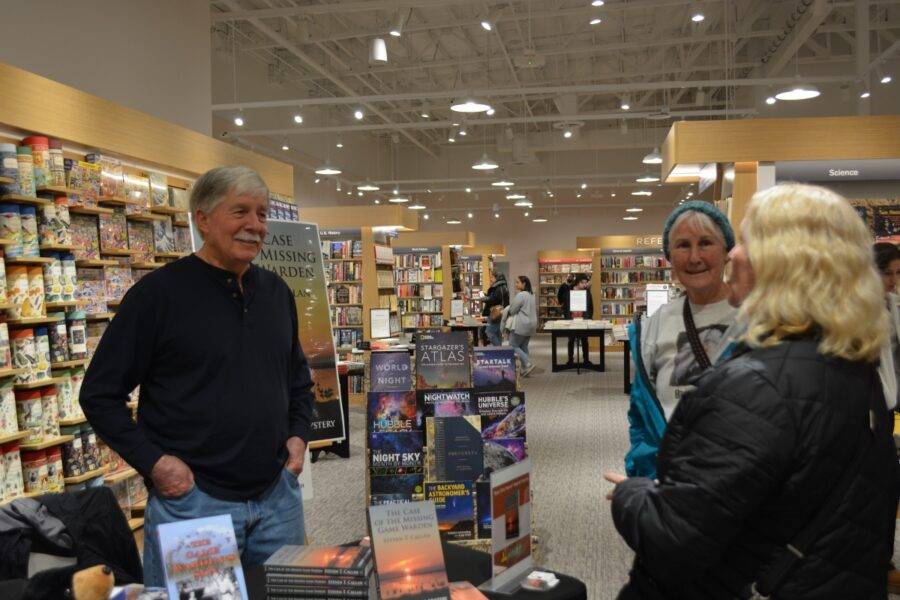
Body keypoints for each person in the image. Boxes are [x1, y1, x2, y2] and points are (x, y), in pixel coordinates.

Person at [606, 183, 899, 599]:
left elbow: (673, 539)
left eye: (744, 240)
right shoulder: (851, 367)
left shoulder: (757, 385)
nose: (733, 255)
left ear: (783, 263)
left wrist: (630, 493)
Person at [80, 166, 314, 585]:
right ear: (202, 219)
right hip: (196, 503)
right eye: (240, 211)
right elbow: (98, 394)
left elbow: (297, 376)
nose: (254, 226)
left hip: (277, 498)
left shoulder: (277, 293)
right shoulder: (156, 297)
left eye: (261, 214)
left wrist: (298, 436)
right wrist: (156, 464)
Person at [625, 201, 737, 479]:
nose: (695, 257)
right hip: (671, 481)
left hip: (738, 483)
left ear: (727, 252)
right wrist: (644, 477)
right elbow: (641, 415)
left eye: (706, 243)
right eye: (683, 245)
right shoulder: (653, 326)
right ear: (670, 259)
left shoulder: (756, 319)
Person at [502, 275, 538, 377]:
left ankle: (528, 363)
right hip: (531, 324)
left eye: (518, 282)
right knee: (523, 346)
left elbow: (512, 310)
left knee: (512, 345)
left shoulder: (521, 295)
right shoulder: (531, 295)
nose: (516, 284)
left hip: (522, 324)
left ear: (524, 284)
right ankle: (525, 369)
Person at [562, 274, 594, 365]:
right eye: (582, 282)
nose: (584, 284)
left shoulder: (587, 293)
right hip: (571, 319)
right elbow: (565, 307)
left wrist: (589, 318)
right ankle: (570, 360)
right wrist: (567, 318)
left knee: (584, 340)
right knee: (571, 340)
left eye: (586, 283)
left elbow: (591, 307)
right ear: (577, 283)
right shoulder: (569, 293)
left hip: (584, 319)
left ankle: (586, 360)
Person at [481, 271, 509, 346]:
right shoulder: (503, 286)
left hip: (495, 313)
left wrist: (484, 298)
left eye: (492, 277)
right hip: (500, 313)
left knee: (489, 332)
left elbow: (494, 299)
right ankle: (499, 351)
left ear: (497, 277)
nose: (490, 279)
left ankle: (499, 348)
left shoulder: (498, 287)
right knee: (497, 333)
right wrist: (487, 296)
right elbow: (497, 298)